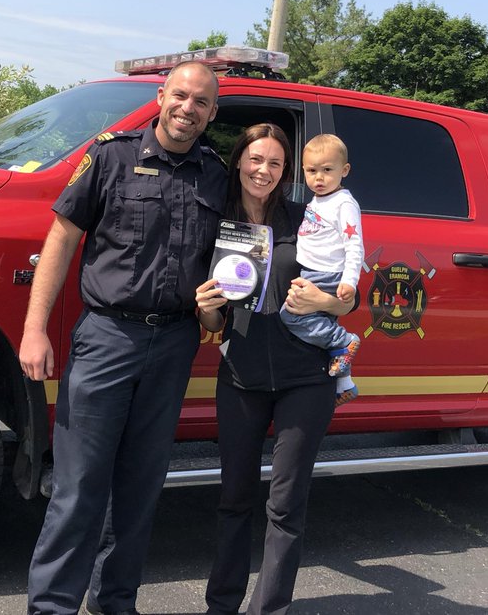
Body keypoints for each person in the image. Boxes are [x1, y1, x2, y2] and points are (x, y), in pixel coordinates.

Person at [20, 61, 227, 615]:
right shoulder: (111, 155)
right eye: (180, 96)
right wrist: (35, 329)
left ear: (213, 112)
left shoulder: (215, 174)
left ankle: (115, 602)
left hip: (175, 343)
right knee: (79, 487)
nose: (188, 109)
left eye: (201, 102)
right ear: (162, 96)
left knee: (140, 488)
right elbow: (61, 238)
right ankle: (52, 608)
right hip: (107, 339)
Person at [195, 123, 355, 615]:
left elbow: (346, 302)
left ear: (288, 173)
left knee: (285, 507)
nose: (263, 170)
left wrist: (326, 300)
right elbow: (216, 318)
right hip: (240, 377)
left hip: (305, 379)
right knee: (234, 499)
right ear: (239, 161)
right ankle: (221, 605)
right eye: (255, 159)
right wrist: (204, 309)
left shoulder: (306, 219)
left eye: (276, 163)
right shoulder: (214, 220)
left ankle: (270, 609)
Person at [280, 133, 364, 406]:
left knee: (292, 315)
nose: (319, 178)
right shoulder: (319, 201)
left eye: (327, 170)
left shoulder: (344, 203)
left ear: (345, 170)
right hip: (315, 271)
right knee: (324, 324)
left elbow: (355, 247)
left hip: (325, 274)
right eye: (312, 171)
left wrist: (349, 282)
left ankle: (344, 340)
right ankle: (344, 383)